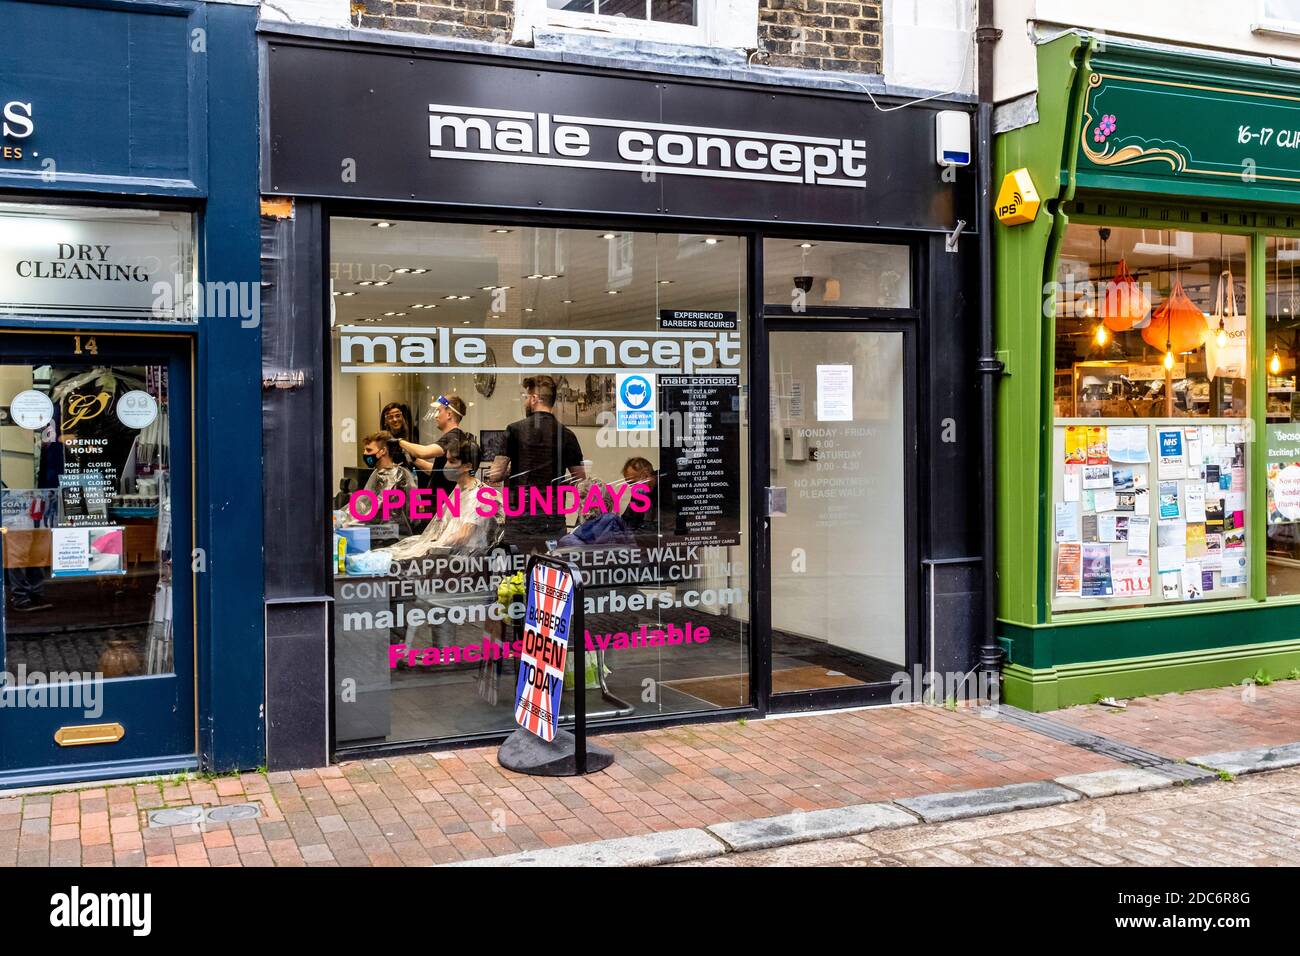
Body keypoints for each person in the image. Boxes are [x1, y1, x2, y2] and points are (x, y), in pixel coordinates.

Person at [489, 375, 586, 544]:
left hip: (520, 518)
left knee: (518, 561)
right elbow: (581, 480)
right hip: (552, 518)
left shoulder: (514, 430)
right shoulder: (566, 435)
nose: (525, 402)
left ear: (534, 399)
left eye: (527, 397)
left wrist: (512, 471)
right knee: (549, 559)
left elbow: (495, 475)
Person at [384, 434, 493, 559]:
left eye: (452, 461)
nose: (446, 465)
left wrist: (433, 544)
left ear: (467, 466)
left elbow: (464, 535)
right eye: (447, 460)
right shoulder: (459, 490)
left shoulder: (481, 496)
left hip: (467, 560)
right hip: (451, 556)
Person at [397, 394, 467, 497]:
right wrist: (414, 459)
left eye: (439, 411)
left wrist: (399, 441)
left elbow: (423, 452)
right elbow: (436, 470)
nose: (436, 416)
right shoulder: (455, 436)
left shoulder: (453, 437)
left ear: (449, 414)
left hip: (445, 500)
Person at [358, 430, 415, 536]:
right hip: (380, 533)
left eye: (369, 450)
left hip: (393, 536)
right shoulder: (377, 473)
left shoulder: (398, 477)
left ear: (383, 451)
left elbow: (411, 514)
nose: (365, 453)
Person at [620, 456, 660, 534]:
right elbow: (627, 522)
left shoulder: (666, 491)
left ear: (646, 475)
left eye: (633, 483)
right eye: (629, 484)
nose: (632, 487)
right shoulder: (639, 494)